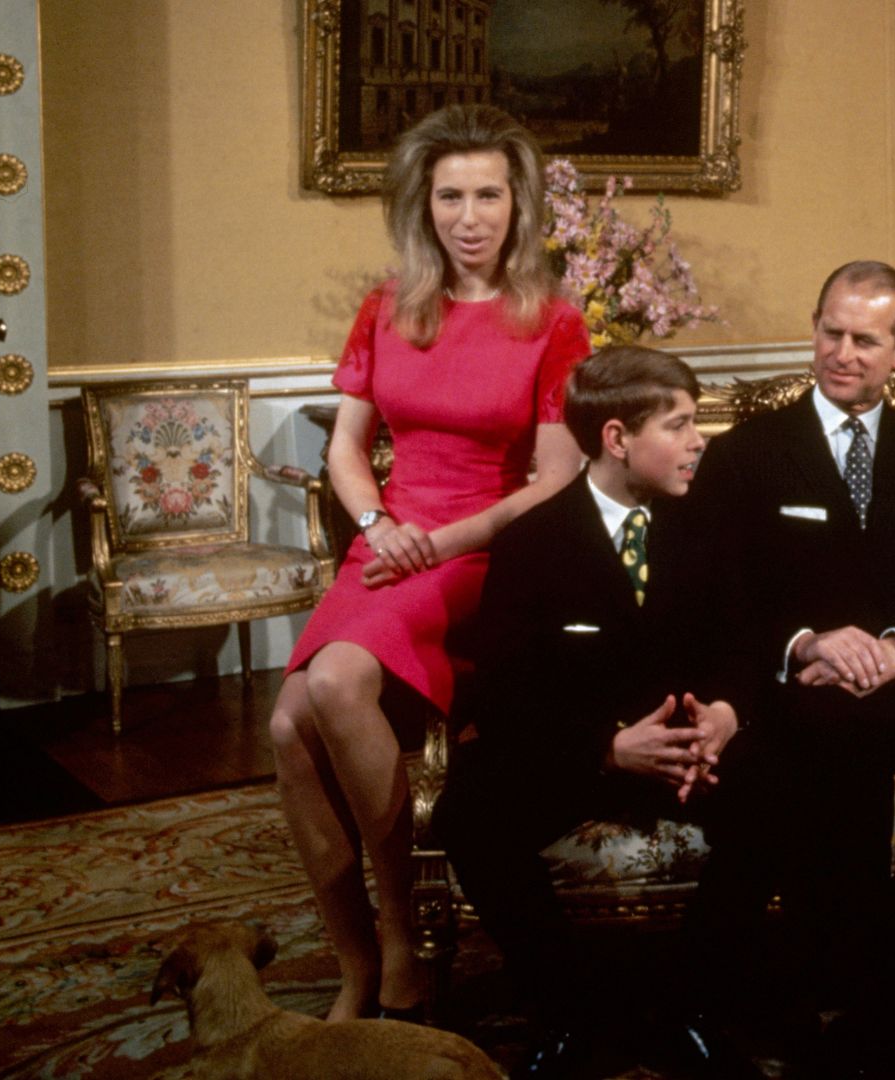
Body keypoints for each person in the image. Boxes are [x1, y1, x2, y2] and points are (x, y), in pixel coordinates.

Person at [667, 261, 895, 1078]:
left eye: (865, 340)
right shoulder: (749, 455)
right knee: (837, 757)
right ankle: (855, 1001)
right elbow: (717, 597)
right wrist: (806, 642)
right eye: (830, 332)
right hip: (799, 685)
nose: (843, 352)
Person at [270, 104, 590, 1022]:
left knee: (332, 684)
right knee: (288, 730)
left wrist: (436, 542)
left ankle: (406, 939)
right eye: (451, 195)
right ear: (425, 205)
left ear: (518, 204)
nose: (470, 216)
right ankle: (354, 960)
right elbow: (345, 448)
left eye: (489, 194)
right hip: (388, 543)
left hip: (479, 550)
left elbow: (552, 484)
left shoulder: (554, 322)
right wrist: (376, 524)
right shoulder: (388, 306)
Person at [431, 347, 745, 1078]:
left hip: (692, 753)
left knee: (792, 787)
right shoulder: (533, 542)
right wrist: (605, 748)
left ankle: (690, 1007)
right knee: (468, 812)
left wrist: (727, 715)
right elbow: (506, 693)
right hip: (582, 756)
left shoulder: (709, 524)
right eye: (680, 424)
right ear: (616, 438)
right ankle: (566, 1009)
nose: (699, 440)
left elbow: (744, 644)